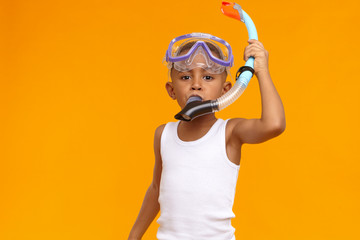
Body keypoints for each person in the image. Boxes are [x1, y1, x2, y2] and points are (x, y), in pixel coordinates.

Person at [128, 32, 286, 240]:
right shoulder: (163, 134)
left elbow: (274, 125)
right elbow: (157, 188)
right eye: (185, 76)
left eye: (208, 77)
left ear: (226, 90)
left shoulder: (229, 132)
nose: (196, 84)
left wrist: (262, 71)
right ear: (171, 89)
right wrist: (133, 236)